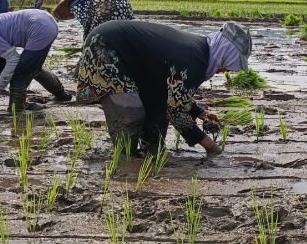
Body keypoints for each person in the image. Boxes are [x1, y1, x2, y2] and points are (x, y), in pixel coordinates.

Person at [76, 20, 252, 154]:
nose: (227, 69)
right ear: (226, 54)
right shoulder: (194, 59)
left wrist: (200, 113)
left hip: (134, 63)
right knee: (130, 113)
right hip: (106, 47)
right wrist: (208, 144)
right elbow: (175, 112)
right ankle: (124, 160)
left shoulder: (201, 52)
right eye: (231, 64)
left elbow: (173, 96)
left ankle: (151, 151)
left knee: (158, 108)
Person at [52, 0, 135, 37]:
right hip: (123, 1)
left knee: (98, 35)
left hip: (107, 5)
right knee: (122, 32)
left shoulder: (77, 5)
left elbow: (86, 24)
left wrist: (86, 41)